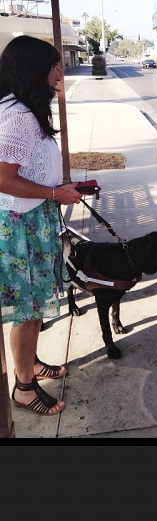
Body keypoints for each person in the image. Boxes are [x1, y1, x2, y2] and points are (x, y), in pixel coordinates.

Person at [0, 35, 83, 416]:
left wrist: (57, 191)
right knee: (28, 308)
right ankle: (23, 387)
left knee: (34, 306)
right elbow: (3, 178)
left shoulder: (23, 109)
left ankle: (29, 364)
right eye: (52, 67)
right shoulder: (18, 116)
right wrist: (56, 196)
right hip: (22, 224)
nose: (58, 74)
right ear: (33, 70)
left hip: (33, 216)